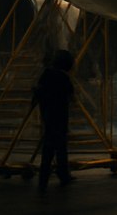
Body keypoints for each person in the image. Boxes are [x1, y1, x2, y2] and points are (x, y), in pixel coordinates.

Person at [32, 49, 76, 193]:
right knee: (60, 149)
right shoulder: (64, 78)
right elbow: (71, 96)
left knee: (48, 150)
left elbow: (38, 91)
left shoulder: (46, 74)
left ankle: (43, 181)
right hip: (60, 118)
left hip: (48, 117)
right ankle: (63, 176)